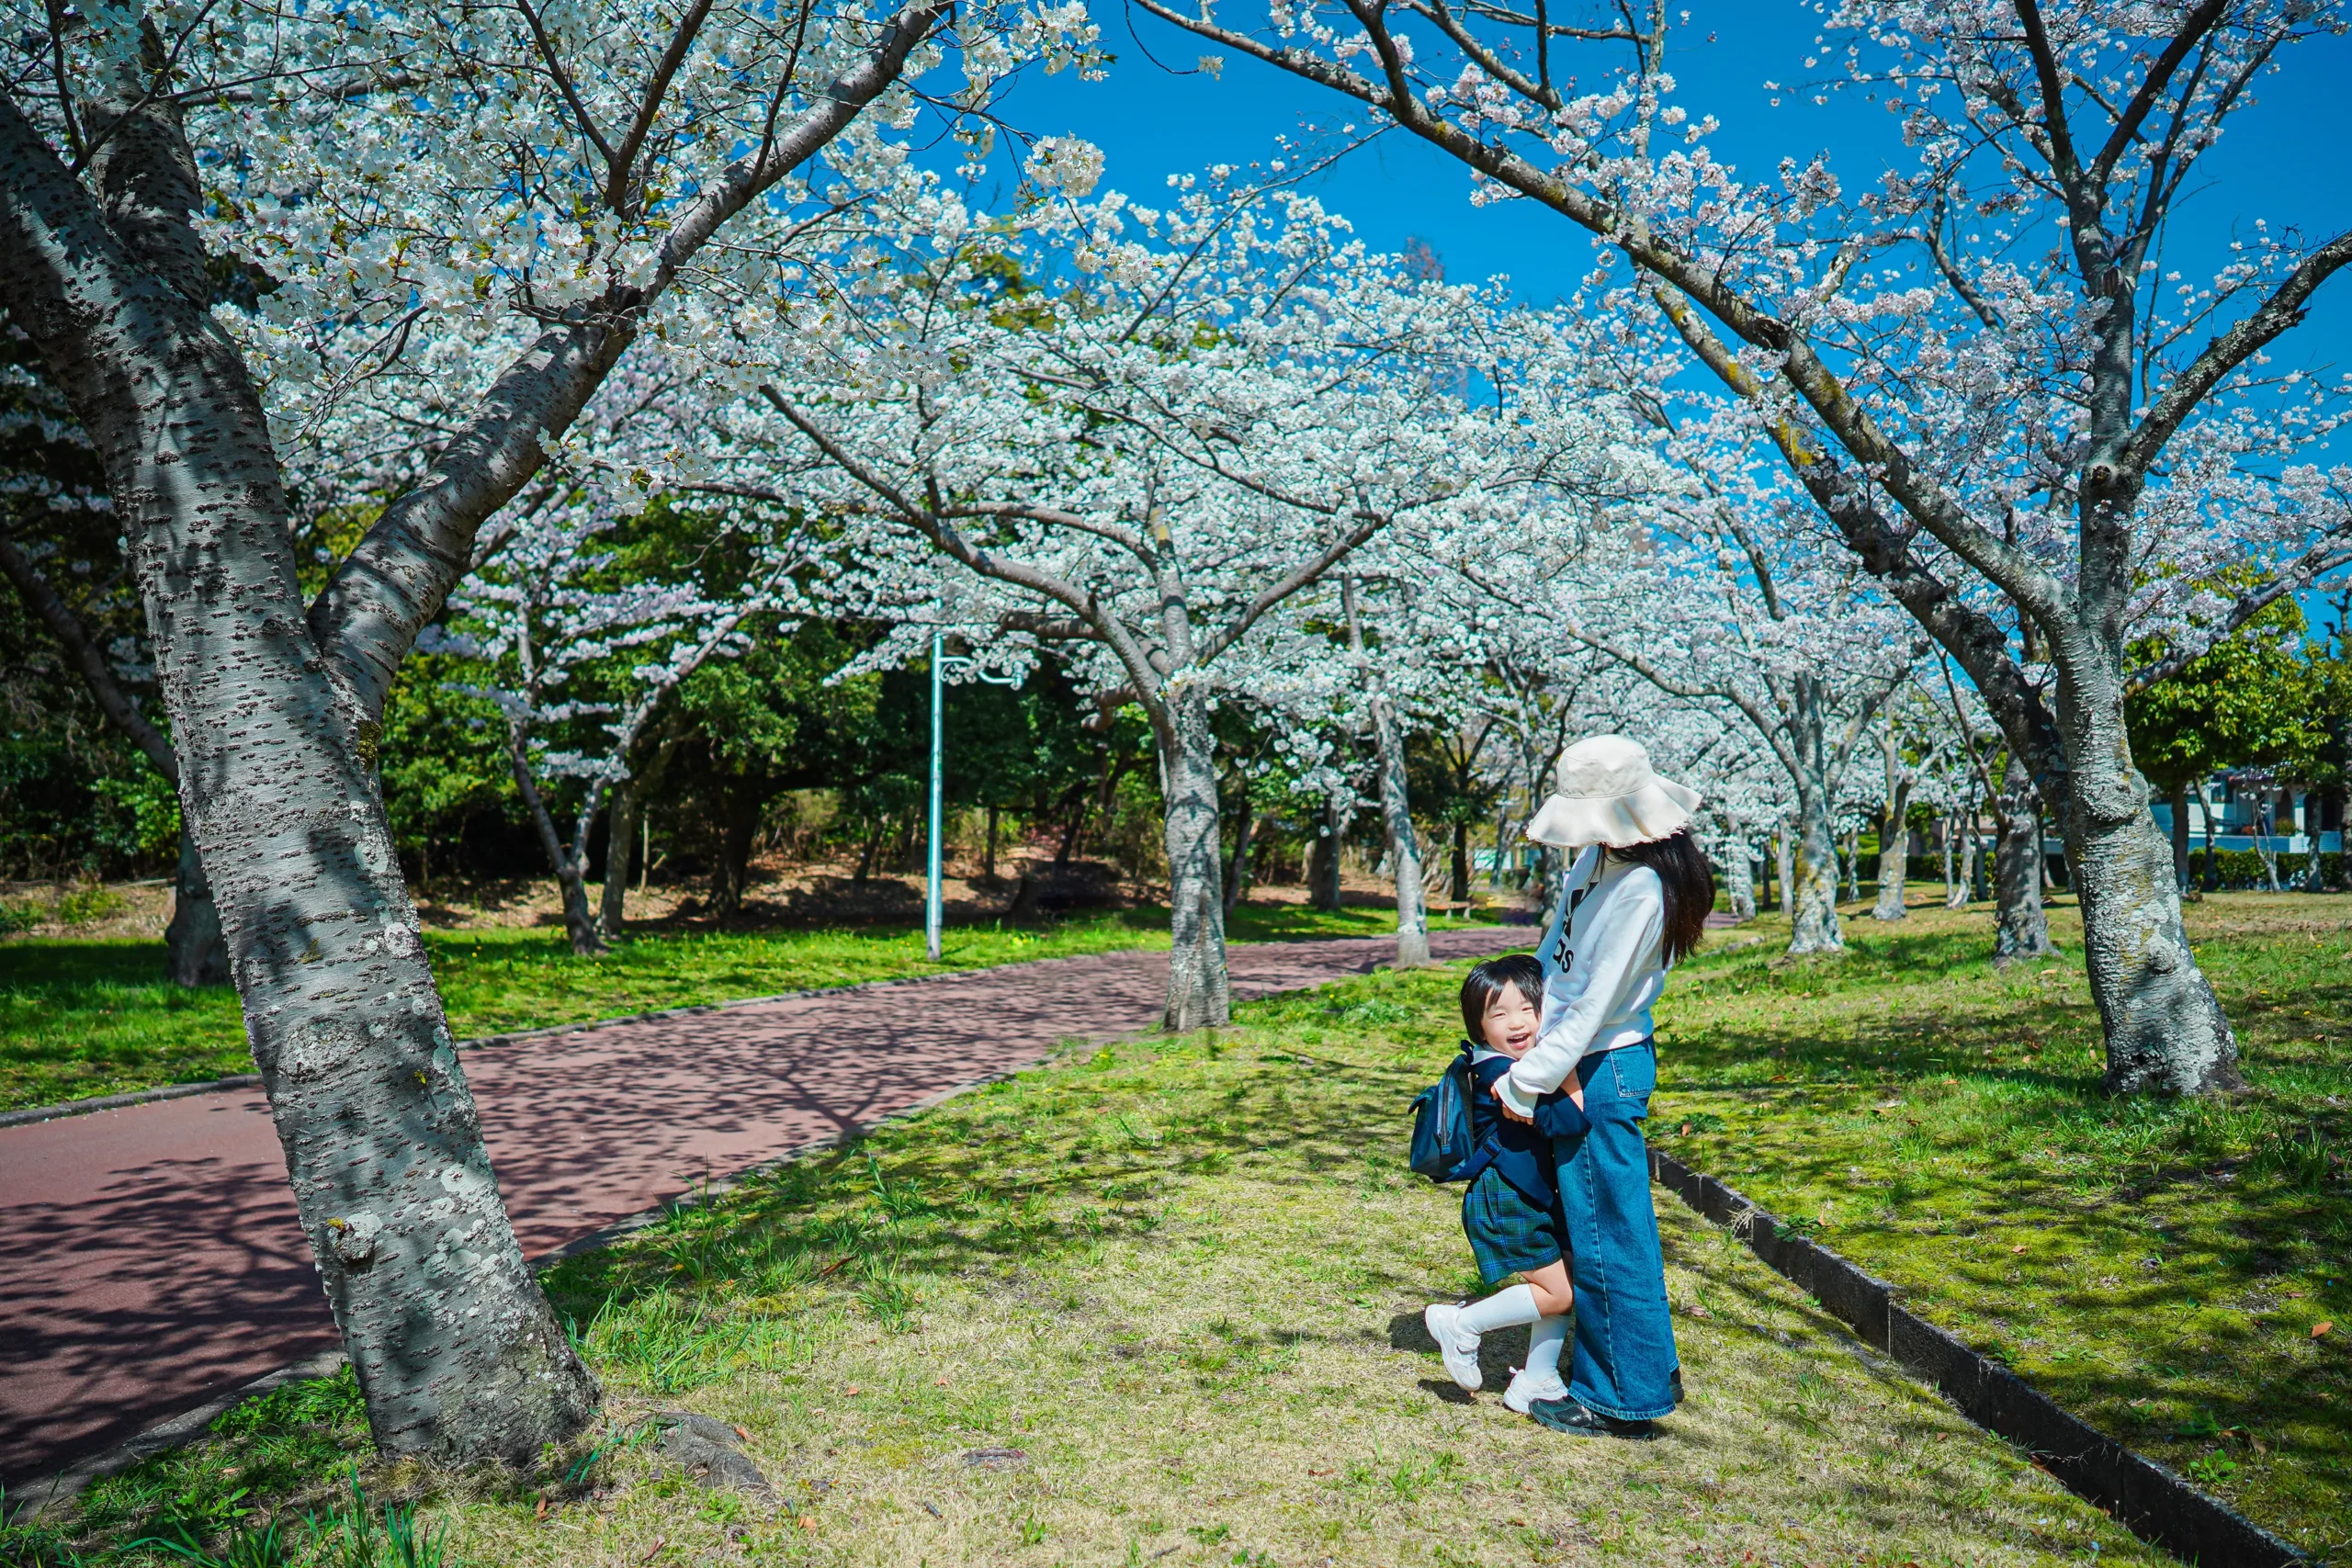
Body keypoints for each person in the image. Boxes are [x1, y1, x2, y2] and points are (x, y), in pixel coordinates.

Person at [1494, 735, 1713, 1438]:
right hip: (1572, 1058)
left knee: (1606, 1234)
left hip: (1601, 1065)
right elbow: (1554, 958)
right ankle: (1642, 1371)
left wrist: (1527, 1079)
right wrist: (1514, 1019)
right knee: (1601, 1227)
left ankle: (1618, 1396)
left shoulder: (1643, 887)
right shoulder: (1598, 860)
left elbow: (1593, 1005)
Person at [1420, 955, 1589, 1414]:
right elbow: (1570, 1118)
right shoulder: (1503, 1075)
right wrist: (1569, 1056)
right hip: (1507, 1195)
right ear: (1479, 1027)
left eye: (1526, 1010)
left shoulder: (1515, 1064)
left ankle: (1538, 1377)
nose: (1516, 1023)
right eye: (1498, 1013)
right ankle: (1463, 1323)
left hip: (1529, 1192)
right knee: (1559, 1292)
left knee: (1568, 1279)